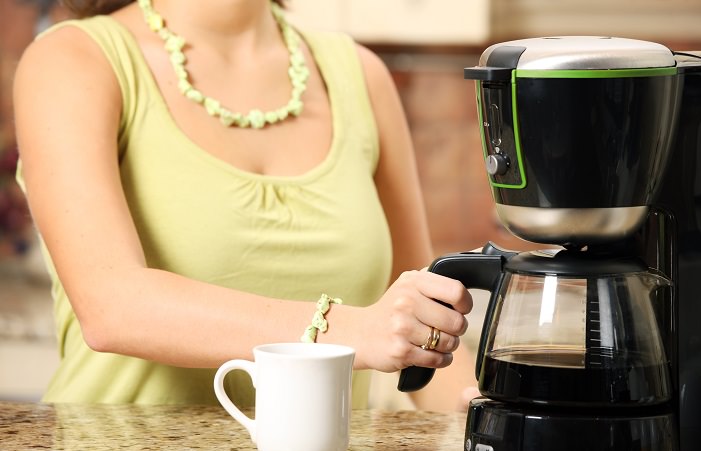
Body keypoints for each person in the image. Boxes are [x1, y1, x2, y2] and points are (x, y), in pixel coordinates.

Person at [13, 0, 478, 410]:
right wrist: (349, 329)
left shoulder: (360, 76)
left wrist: (482, 411)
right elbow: (111, 305)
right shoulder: (74, 60)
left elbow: (422, 329)